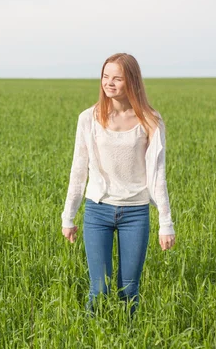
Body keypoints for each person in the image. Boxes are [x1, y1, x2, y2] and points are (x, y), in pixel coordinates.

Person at [61, 53, 176, 315]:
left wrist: (165, 223)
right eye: (105, 76)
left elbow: (158, 175)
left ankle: (128, 337)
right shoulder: (88, 118)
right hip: (97, 210)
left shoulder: (151, 120)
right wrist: (68, 216)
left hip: (135, 212)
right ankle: (92, 337)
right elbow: (78, 170)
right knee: (99, 288)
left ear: (132, 81)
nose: (109, 83)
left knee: (129, 289)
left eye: (117, 78)